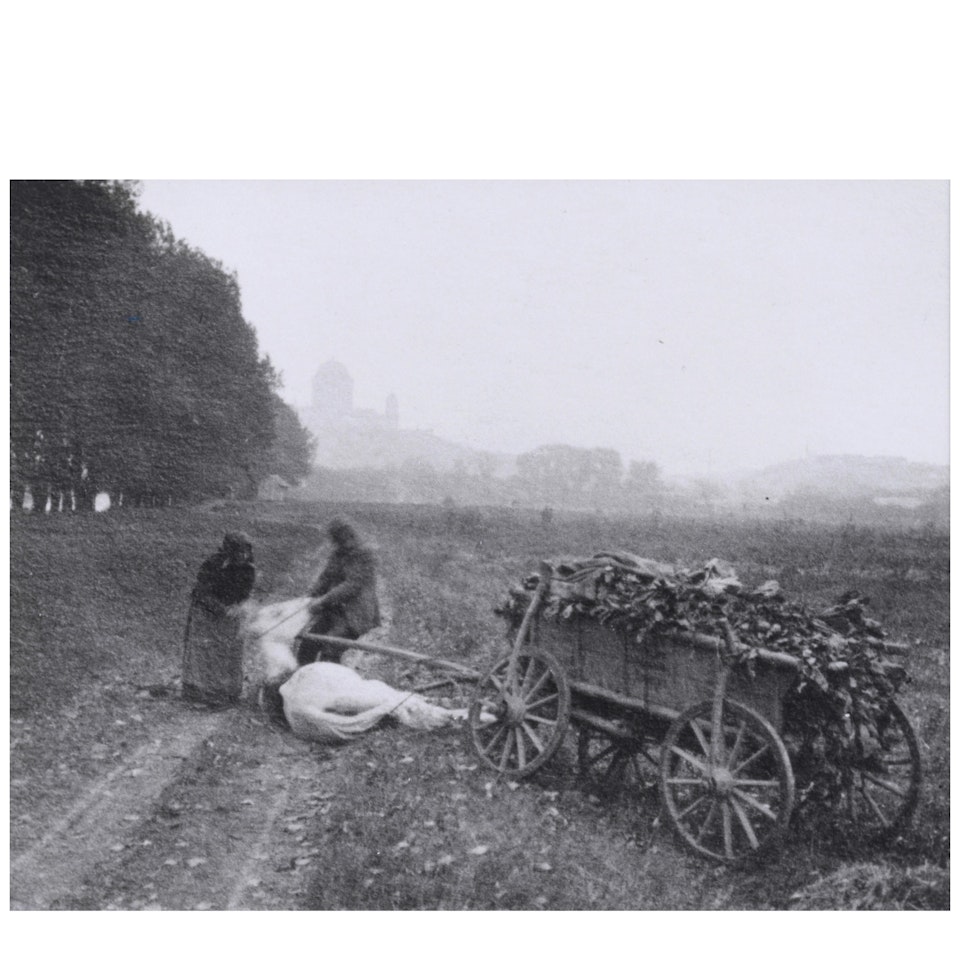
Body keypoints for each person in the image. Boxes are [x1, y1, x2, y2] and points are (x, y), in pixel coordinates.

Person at [182, 532, 256, 706]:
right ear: (229, 551)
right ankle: (203, 693)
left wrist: (239, 607)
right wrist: (220, 609)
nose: (242, 556)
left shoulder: (248, 568)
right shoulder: (213, 565)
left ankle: (228, 692)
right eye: (238, 552)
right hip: (206, 613)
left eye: (245, 552)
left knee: (231, 650)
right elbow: (201, 593)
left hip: (231, 613)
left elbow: (245, 594)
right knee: (207, 651)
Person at [296, 519, 381, 666]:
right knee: (308, 644)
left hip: (356, 614)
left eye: (346, 539)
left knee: (330, 649)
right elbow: (325, 578)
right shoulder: (338, 554)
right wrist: (309, 596)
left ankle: (328, 685)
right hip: (335, 612)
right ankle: (299, 680)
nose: (345, 543)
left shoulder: (364, 555)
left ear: (351, 536)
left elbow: (351, 586)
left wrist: (323, 600)